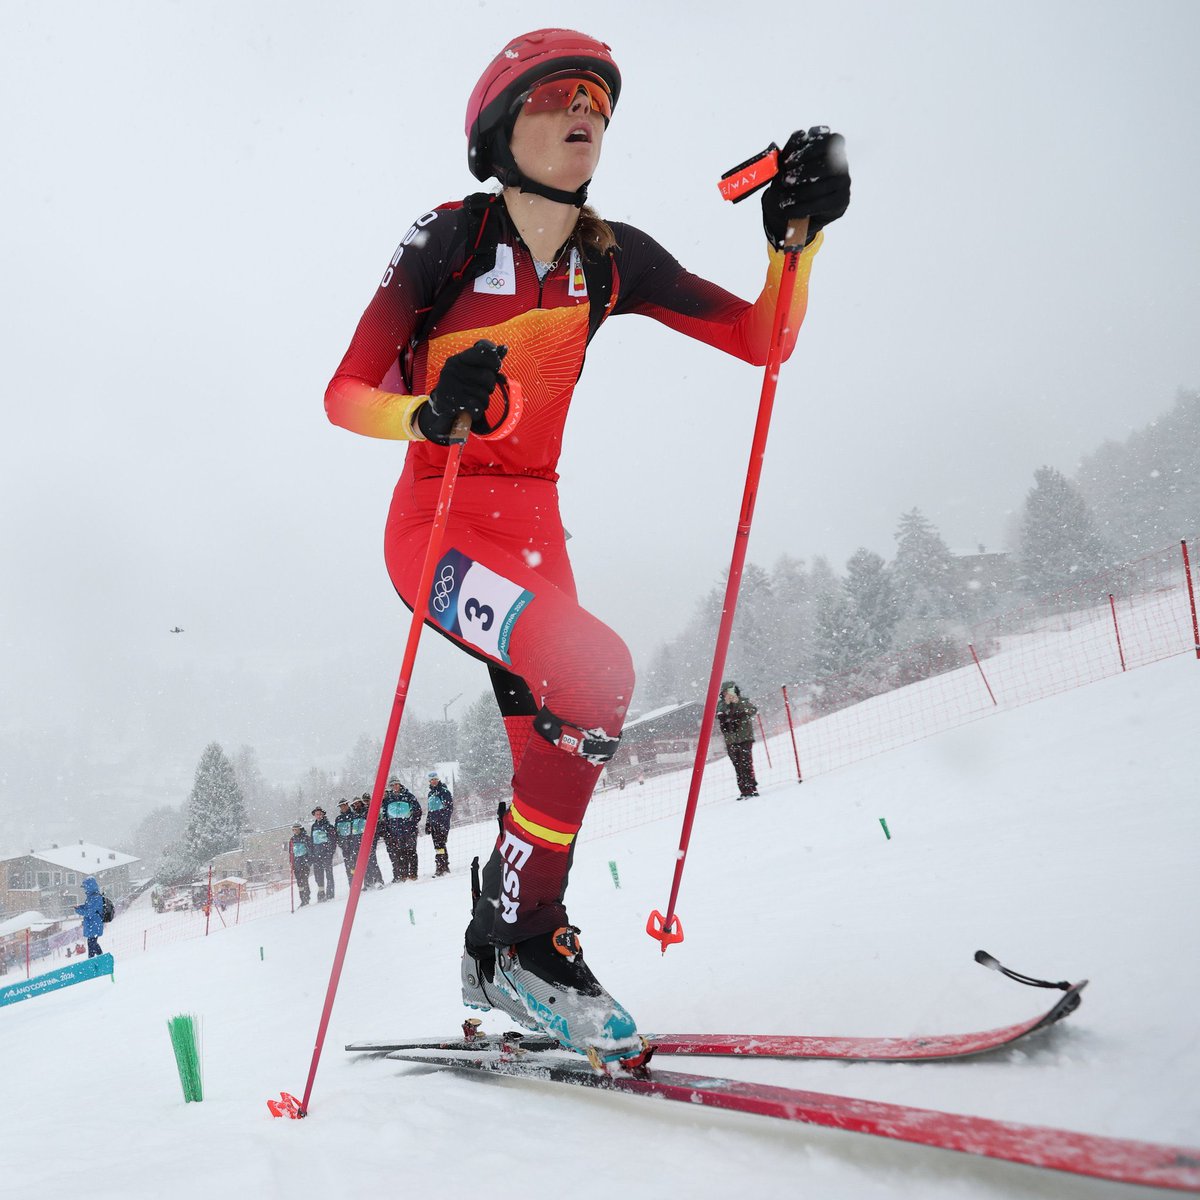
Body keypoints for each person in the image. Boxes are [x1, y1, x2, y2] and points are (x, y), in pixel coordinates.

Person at [324, 28, 849, 1061]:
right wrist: (425, 412)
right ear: (497, 128)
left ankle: (514, 940)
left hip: (533, 534)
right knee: (600, 672)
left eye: (600, 106)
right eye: (559, 96)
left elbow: (763, 339)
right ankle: (520, 945)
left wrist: (794, 242)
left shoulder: (613, 259)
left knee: (559, 760)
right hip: (440, 526)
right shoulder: (447, 240)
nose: (585, 115)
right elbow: (345, 393)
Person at [717, 681, 760, 799]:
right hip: (731, 740)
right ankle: (744, 790)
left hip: (745, 738)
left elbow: (752, 710)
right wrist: (725, 707)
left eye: (730, 690)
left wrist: (738, 703)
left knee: (746, 763)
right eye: (726, 691)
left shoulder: (743, 701)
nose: (728, 693)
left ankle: (752, 788)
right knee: (738, 766)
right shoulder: (721, 705)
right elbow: (718, 715)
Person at [380, 777, 423, 882]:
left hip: (409, 830)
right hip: (395, 831)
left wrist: (412, 823)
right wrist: (389, 827)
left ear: (400, 785)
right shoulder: (388, 800)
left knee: (411, 851)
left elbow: (418, 811)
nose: (395, 786)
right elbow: (384, 816)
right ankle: (404, 874)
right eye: (393, 785)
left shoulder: (408, 796)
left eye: (396, 784)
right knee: (400, 853)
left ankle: (413, 874)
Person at [350, 796, 386, 889]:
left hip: (369, 840)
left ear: (361, 803)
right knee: (362, 863)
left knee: (372, 860)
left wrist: (373, 837)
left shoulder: (367, 811)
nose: (356, 805)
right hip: (357, 841)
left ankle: (378, 880)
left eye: (358, 803)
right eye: (354, 804)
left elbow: (374, 824)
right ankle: (368, 882)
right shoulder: (353, 815)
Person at [425, 770, 455, 876]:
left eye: (435, 779)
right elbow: (430, 810)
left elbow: (449, 808)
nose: (433, 781)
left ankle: (441, 866)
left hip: (442, 823)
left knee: (440, 844)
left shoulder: (444, 792)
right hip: (434, 824)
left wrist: (443, 822)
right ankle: (443, 865)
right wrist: (428, 823)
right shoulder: (430, 794)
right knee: (437, 845)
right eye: (431, 780)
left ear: (438, 779)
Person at [309, 805, 338, 901]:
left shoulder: (328, 826)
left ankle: (330, 894)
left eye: (320, 814)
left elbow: (333, 840)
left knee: (329, 874)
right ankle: (321, 894)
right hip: (317, 854)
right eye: (316, 814)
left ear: (323, 815)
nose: (318, 816)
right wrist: (312, 853)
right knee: (318, 875)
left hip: (326, 853)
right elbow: (312, 841)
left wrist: (330, 852)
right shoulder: (314, 826)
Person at [73, 876, 106, 957]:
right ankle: (101, 958)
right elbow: (88, 908)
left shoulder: (95, 897)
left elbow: (89, 912)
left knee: (91, 944)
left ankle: (91, 961)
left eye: (85, 887)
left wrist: (78, 910)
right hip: (93, 923)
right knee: (93, 943)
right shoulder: (92, 897)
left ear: (89, 887)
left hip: (94, 923)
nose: (84, 889)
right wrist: (79, 907)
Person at [289, 823, 313, 906]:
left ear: (300, 829)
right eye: (293, 830)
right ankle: (302, 899)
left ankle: (306, 898)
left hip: (304, 863)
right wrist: (292, 864)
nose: (295, 831)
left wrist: (308, 862)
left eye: (296, 829)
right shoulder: (292, 840)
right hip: (296, 864)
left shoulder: (306, 838)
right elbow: (291, 853)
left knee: (304, 880)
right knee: (299, 882)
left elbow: (310, 851)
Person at [334, 798, 357, 884]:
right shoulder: (338, 819)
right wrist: (339, 842)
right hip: (344, 845)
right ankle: (351, 883)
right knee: (348, 865)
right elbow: (336, 832)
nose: (343, 807)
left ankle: (363, 882)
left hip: (354, 844)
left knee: (356, 863)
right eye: (341, 806)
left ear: (347, 805)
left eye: (344, 805)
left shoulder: (353, 815)